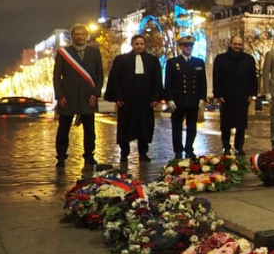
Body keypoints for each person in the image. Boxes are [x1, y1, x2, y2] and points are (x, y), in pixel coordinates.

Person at [105, 34, 164, 162]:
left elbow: (157, 80)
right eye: (137, 44)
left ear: (145, 45)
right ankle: (124, 153)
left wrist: (155, 97)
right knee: (125, 127)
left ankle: (143, 153)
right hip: (127, 100)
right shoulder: (121, 59)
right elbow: (115, 80)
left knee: (144, 127)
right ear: (132, 45)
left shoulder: (152, 60)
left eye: (142, 44)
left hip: (145, 100)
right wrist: (117, 97)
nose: (139, 46)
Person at [53, 24, 104, 166]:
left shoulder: (94, 53)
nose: (80, 37)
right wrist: (59, 95)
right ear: (72, 36)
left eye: (82, 34)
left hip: (88, 97)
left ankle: (89, 155)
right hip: (67, 98)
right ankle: (61, 157)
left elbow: (99, 76)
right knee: (63, 130)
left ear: (86, 36)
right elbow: (57, 77)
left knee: (90, 130)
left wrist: (96, 93)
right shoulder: (63, 53)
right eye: (76, 34)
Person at [212, 35, 257, 155]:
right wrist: (218, 94)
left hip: (242, 96)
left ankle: (239, 146)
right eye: (235, 44)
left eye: (239, 44)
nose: (237, 46)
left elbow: (253, 78)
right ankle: (226, 146)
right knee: (226, 124)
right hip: (226, 96)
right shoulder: (220, 59)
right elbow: (217, 78)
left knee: (241, 124)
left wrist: (252, 94)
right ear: (230, 44)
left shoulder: (249, 59)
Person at [165, 35, 207, 159]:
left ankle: (189, 148)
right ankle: (178, 149)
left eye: (190, 46)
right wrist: (169, 99)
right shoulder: (173, 62)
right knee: (177, 127)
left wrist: (202, 98)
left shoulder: (198, 62)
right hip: (178, 100)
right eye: (186, 46)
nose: (189, 48)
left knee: (192, 126)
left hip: (193, 99)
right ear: (181, 47)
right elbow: (168, 82)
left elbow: (202, 82)